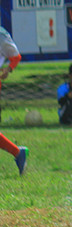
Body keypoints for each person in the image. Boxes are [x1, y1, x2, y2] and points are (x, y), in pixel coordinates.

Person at [0, 26, 28, 175]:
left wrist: (8, 69)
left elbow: (15, 56)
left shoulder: (1, 35)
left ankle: (18, 152)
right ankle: (17, 152)